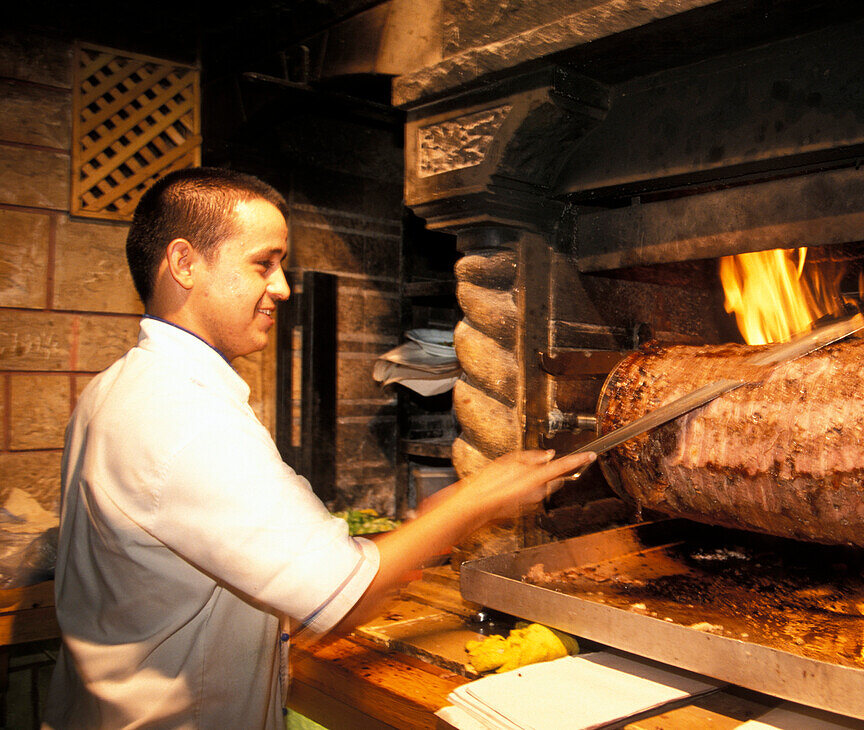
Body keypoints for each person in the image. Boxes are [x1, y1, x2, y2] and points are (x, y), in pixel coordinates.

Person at [43, 167, 595, 728]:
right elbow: (346, 597)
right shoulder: (183, 417)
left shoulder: (121, 386)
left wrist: (404, 532)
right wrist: (476, 499)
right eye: (263, 263)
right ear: (185, 263)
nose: (281, 287)